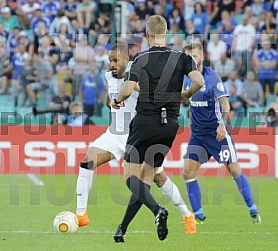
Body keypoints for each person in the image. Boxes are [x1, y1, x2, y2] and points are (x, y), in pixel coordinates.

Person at [76, 43, 201, 239]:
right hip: (114, 134)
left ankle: (187, 215)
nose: (112, 64)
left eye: (116, 60)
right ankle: (81, 215)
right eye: (110, 61)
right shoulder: (109, 76)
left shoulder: (139, 74)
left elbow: (150, 95)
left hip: (137, 134)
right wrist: (111, 102)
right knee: (87, 162)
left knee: (158, 178)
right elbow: (113, 99)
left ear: (128, 60)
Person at [111, 15, 204, 242]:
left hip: (144, 123)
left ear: (147, 35)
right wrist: (185, 95)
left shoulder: (141, 58)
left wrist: (116, 99)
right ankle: (122, 229)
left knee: (129, 177)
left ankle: (158, 210)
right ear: (167, 33)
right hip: (169, 126)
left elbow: (127, 89)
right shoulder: (182, 57)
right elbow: (200, 82)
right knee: (145, 179)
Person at [182, 42, 261, 225]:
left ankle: (253, 211)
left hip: (217, 132)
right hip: (198, 135)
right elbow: (181, 97)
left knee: (233, 169)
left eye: (194, 56)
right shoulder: (185, 77)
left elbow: (225, 103)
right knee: (187, 172)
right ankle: (198, 216)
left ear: (202, 56)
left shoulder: (212, 77)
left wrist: (222, 124)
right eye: (188, 57)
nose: (191, 60)